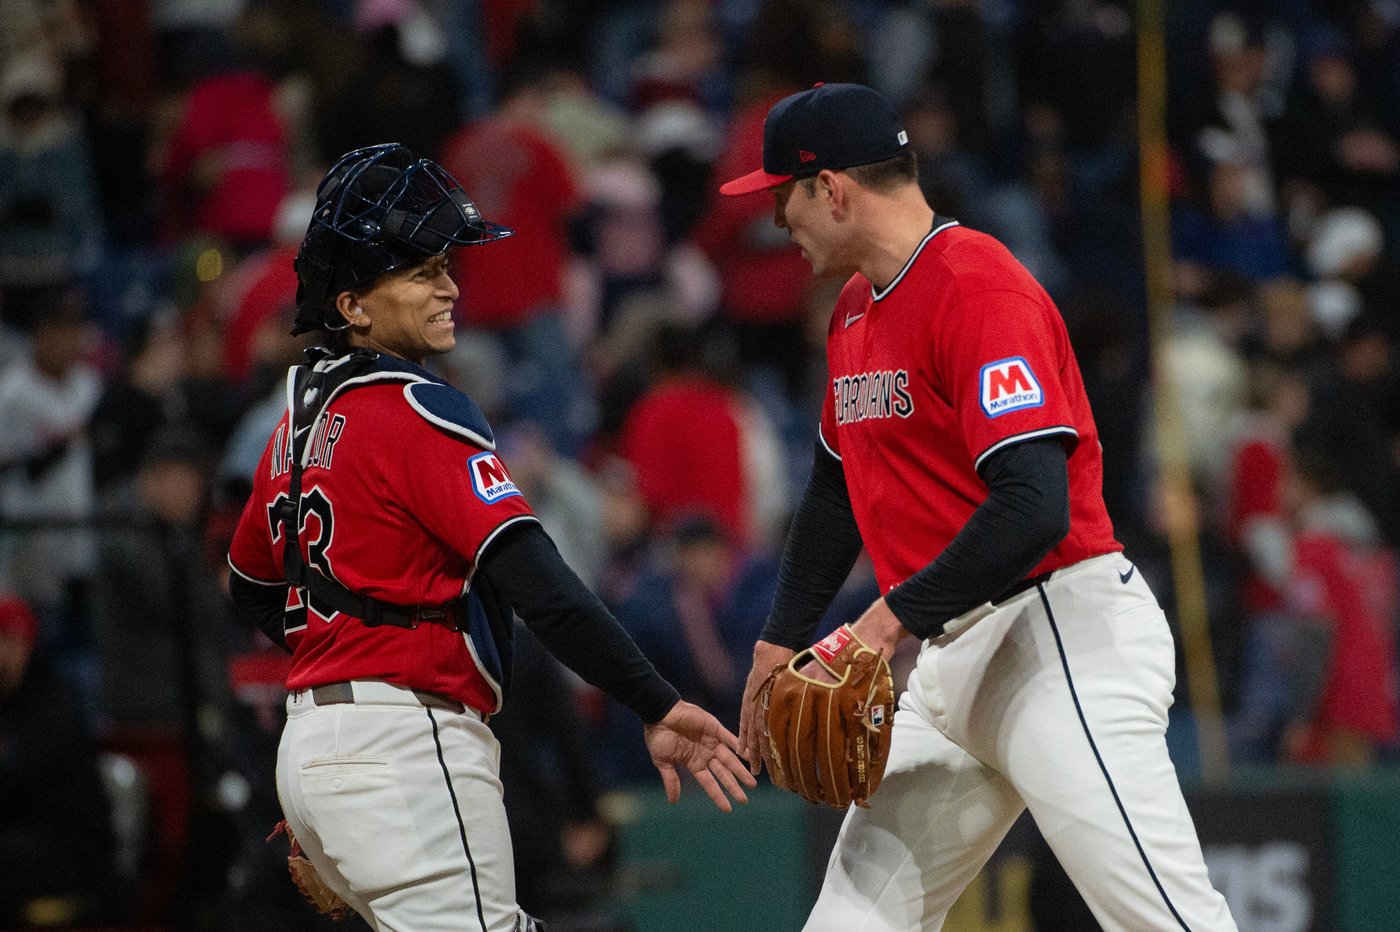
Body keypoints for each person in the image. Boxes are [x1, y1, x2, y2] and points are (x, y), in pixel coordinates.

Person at [724, 84, 1237, 932]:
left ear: (834, 190)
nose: (778, 218)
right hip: (955, 656)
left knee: (1165, 920)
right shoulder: (855, 307)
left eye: (784, 194)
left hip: (1058, 637)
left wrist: (885, 624)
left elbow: (1033, 506)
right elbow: (832, 488)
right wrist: (778, 639)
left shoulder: (976, 288)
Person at [226, 144, 754, 932]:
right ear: (351, 306)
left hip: (314, 746)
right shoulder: (416, 408)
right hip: (404, 743)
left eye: (444, 264)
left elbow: (250, 586)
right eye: (418, 270)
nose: (448, 286)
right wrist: (654, 701)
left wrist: (343, 673)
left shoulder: (295, 431)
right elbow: (538, 584)